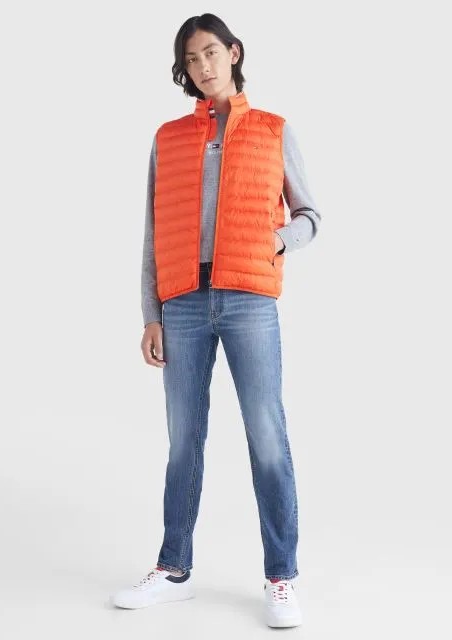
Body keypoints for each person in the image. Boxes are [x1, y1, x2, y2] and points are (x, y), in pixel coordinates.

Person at [111, 13, 321, 628]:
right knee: (184, 439)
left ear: (233, 52)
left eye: (210, 53)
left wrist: (277, 239)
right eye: (191, 59)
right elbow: (152, 233)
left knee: (267, 434)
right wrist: (151, 314)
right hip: (182, 304)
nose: (203, 67)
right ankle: (174, 569)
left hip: (249, 299)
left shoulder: (273, 130)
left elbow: (310, 215)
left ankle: (281, 576)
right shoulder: (169, 138)